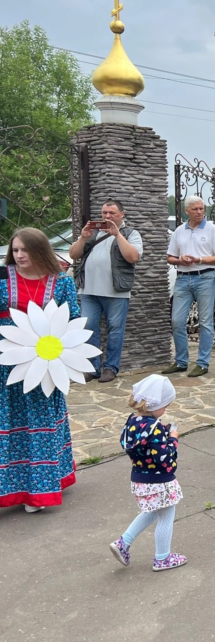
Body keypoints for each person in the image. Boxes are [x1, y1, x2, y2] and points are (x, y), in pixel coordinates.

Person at [0, 228, 84, 512]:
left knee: (40, 423)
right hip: (6, 364)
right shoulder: (2, 280)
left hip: (45, 365)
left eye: (25, 250)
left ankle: (39, 490)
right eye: (15, 250)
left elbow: (73, 318)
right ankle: (9, 488)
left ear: (40, 250)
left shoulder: (61, 282)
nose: (19, 255)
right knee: (8, 423)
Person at [108, 375, 186, 572]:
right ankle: (162, 558)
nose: (166, 409)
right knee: (166, 516)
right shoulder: (156, 428)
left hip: (140, 478)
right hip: (160, 480)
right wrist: (173, 439)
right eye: (165, 405)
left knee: (151, 512)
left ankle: (123, 543)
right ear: (154, 405)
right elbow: (165, 459)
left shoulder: (133, 421)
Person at [69, 198, 143, 383]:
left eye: (112, 213)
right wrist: (83, 237)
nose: (107, 216)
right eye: (104, 213)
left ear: (122, 215)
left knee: (115, 330)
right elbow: (73, 254)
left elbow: (133, 257)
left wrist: (117, 235)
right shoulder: (93, 233)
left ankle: (110, 368)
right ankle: (92, 368)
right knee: (88, 328)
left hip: (116, 292)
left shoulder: (131, 233)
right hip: (88, 291)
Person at [164, 195, 215, 377]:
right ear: (187, 211)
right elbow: (170, 257)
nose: (200, 212)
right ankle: (181, 361)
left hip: (205, 276)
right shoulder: (179, 231)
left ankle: (202, 362)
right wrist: (180, 260)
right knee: (176, 321)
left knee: (206, 321)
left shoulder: (213, 229)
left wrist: (199, 259)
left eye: (201, 208)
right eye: (195, 209)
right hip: (183, 278)